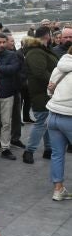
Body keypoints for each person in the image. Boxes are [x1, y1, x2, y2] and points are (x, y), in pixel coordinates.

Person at [22, 28, 60, 164]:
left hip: (46, 92)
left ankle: (48, 149)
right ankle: (29, 151)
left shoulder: (40, 50)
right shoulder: (36, 52)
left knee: (46, 121)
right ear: (47, 36)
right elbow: (40, 73)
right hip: (41, 92)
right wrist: (57, 82)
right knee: (42, 121)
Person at [0, 33, 22, 161]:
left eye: (3, 42)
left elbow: (13, 69)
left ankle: (5, 148)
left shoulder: (12, 55)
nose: (1, 45)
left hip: (7, 93)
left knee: (6, 122)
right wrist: (1, 69)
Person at [46, 47, 72, 200]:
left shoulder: (61, 65)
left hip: (53, 115)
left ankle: (58, 189)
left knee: (57, 154)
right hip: (69, 116)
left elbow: (49, 91)